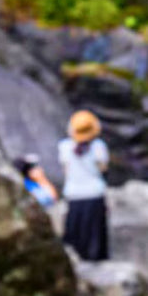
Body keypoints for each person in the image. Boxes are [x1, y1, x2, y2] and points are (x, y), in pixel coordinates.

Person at [59, 110, 110, 262]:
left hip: (74, 193)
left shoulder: (65, 146)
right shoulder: (98, 146)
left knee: (75, 231)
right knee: (95, 232)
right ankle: (96, 259)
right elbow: (103, 168)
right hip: (94, 193)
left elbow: (66, 171)